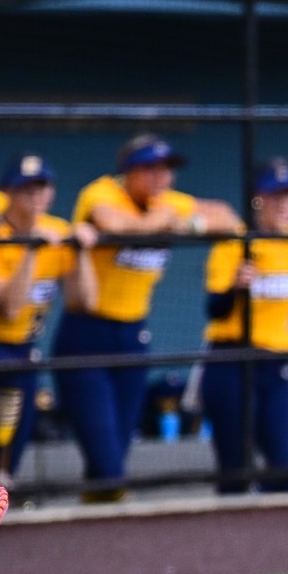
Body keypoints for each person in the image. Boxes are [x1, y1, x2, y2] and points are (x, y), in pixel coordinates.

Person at [62, 135, 241, 500]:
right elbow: (116, 225)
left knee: (113, 457)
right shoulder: (101, 193)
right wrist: (165, 221)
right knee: (108, 462)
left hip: (132, 335)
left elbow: (227, 218)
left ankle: (95, 532)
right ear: (130, 171)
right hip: (86, 333)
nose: (162, 178)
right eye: (151, 169)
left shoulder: (168, 203)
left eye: (167, 170)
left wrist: (184, 223)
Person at [0, 154, 97, 487]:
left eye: (41, 187)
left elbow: (85, 301)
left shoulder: (58, 231)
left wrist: (82, 252)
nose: (35, 196)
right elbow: (10, 307)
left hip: (22, 349)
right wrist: (31, 249)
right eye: (26, 188)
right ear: (8, 192)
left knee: (8, 450)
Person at [198, 160, 288, 494]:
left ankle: (268, 539)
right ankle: (232, 537)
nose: (283, 203)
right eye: (273, 194)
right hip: (231, 361)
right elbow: (214, 310)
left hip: (276, 366)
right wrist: (236, 288)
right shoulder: (235, 242)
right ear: (256, 198)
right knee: (236, 471)